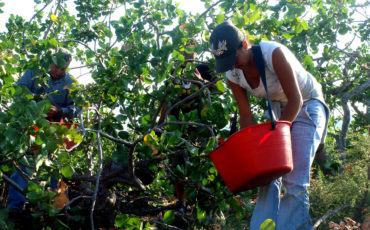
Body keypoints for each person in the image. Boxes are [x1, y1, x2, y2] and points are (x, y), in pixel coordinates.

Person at [209, 21, 329, 230]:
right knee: (268, 175)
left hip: (307, 105)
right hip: (276, 110)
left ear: (244, 44)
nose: (233, 65)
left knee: (294, 180)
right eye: (226, 62)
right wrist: (252, 155)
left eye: (233, 58)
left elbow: (296, 100)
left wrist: (278, 137)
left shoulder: (273, 53)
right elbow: (246, 115)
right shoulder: (233, 74)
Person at [7, 47, 79, 216]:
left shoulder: (71, 83)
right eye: (57, 66)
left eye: (63, 68)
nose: (59, 71)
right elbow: (19, 91)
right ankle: (14, 209)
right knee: (22, 162)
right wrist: (38, 102)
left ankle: (60, 210)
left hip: (55, 130)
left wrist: (60, 110)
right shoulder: (34, 71)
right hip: (29, 127)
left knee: (58, 166)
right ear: (50, 62)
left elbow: (77, 108)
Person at [157, 54, 216, 212]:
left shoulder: (204, 68)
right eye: (185, 49)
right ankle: (182, 204)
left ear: (196, 52)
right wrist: (160, 125)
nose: (188, 53)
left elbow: (219, 88)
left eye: (191, 49)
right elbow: (166, 99)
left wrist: (201, 81)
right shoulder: (175, 72)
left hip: (199, 127)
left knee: (203, 164)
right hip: (177, 126)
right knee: (177, 165)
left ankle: (205, 203)